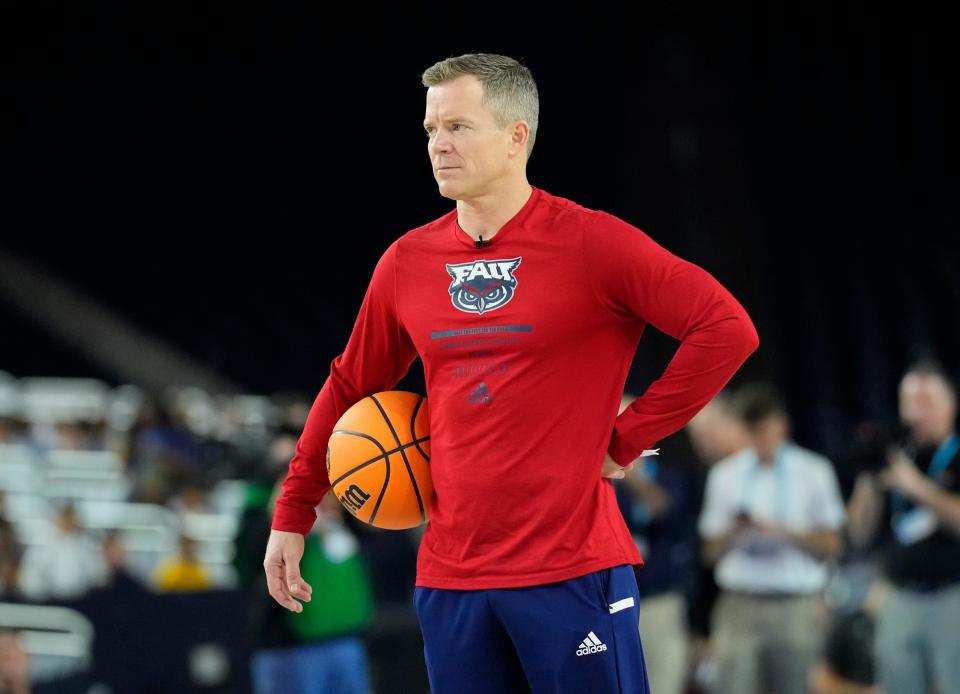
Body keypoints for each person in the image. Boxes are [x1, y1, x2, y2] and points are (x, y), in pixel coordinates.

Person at [263, 52, 759, 693]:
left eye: (458, 127)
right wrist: (293, 510)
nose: (438, 145)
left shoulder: (592, 243)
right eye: (430, 129)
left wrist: (625, 437)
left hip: (572, 569)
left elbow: (727, 329)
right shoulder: (407, 262)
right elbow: (349, 385)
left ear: (516, 135)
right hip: (452, 578)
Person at [698, 382, 845, 694]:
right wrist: (735, 532)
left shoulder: (814, 471)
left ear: (781, 425)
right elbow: (708, 551)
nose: (759, 441)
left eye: (764, 431)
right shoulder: (725, 474)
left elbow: (832, 545)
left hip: (795, 605)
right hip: (740, 603)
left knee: (796, 686)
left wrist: (783, 533)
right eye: (751, 433)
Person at [846, 359, 960, 694]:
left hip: (952, 593)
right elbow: (858, 532)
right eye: (909, 402)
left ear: (950, 404)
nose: (916, 413)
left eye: (926, 401)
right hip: (900, 593)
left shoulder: (953, 455)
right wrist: (868, 478)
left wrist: (914, 486)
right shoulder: (896, 453)